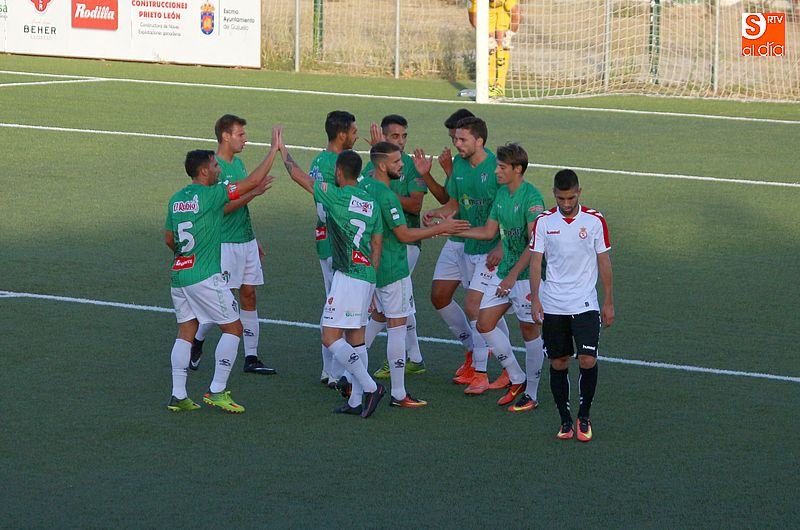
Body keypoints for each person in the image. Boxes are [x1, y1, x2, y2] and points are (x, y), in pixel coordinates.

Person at [278, 129, 386, 418]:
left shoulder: (335, 197)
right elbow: (377, 241)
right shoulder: (370, 202)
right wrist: (373, 276)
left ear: (339, 171)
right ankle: (355, 402)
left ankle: (370, 386)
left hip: (347, 275)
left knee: (330, 336)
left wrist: (282, 150)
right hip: (366, 275)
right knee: (356, 338)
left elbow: (299, 176)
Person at [360, 142, 469, 406]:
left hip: (367, 265)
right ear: (384, 165)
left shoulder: (364, 185)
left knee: (370, 319)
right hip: (392, 265)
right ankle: (398, 392)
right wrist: (443, 228)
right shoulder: (387, 196)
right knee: (397, 326)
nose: (402, 166)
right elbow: (404, 234)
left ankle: (350, 378)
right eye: (397, 162)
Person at [164, 149, 274, 413]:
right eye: (215, 165)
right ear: (203, 171)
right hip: (204, 276)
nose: (218, 170)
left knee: (186, 331)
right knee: (234, 329)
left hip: (179, 274)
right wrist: (273, 151)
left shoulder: (176, 199)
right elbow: (253, 180)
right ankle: (217, 390)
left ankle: (178, 395)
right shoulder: (212, 195)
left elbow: (170, 239)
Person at [422, 117, 510, 389]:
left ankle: (481, 372)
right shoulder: (459, 165)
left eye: (462, 140)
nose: (456, 144)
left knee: (476, 307)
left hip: (492, 250)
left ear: (480, 141)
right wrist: (438, 214)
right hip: (470, 246)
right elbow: (455, 204)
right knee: (487, 313)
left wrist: (502, 245)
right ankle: (510, 369)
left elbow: (510, 211)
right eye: (455, 139)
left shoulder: (497, 170)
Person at [529, 169, 614, 442]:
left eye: (571, 198)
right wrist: (535, 298)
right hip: (553, 304)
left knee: (588, 360)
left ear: (580, 193)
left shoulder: (594, 221)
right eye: (561, 198)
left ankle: (584, 416)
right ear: (554, 194)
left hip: (585, 302)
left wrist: (609, 300)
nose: (566, 204)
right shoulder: (543, 222)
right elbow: (534, 261)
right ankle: (565, 420)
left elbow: (604, 261)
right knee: (559, 362)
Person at [459, 143, 546, 410]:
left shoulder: (532, 198)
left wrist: (512, 277)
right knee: (484, 323)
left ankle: (531, 393)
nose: (496, 171)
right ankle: (517, 376)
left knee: (529, 330)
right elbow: (488, 232)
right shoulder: (501, 195)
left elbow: (535, 245)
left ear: (517, 169)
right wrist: (448, 231)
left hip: (523, 276)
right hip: (505, 273)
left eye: (501, 167)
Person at [189, 114, 277, 376]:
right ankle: (197, 341)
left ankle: (251, 357)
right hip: (224, 244)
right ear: (225, 136)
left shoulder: (237, 163)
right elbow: (224, 208)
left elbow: (243, 207)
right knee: (223, 300)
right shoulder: (216, 170)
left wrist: (254, 237)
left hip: (245, 241)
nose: (245, 139)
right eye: (241, 134)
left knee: (249, 294)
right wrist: (254, 192)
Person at [363, 115, 430, 378]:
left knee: (391, 307)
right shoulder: (379, 168)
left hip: (406, 245)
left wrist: (385, 194)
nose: (401, 143)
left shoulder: (409, 166)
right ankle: (412, 358)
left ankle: (400, 359)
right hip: (386, 245)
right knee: (395, 305)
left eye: (404, 137)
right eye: (394, 137)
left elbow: (415, 206)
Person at [310, 111, 360, 388]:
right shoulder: (338, 164)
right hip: (337, 243)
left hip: (323, 239)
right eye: (353, 131)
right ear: (342, 134)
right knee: (339, 307)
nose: (356, 135)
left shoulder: (318, 160)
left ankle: (329, 369)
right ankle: (336, 372)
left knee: (332, 302)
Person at [468, 0, 521, 97]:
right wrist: (487, 37)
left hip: (503, 8)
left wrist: (509, 35)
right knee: (490, 43)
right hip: (488, 9)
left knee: (501, 39)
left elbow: (516, 13)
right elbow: (473, 19)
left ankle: (500, 86)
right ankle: (489, 84)